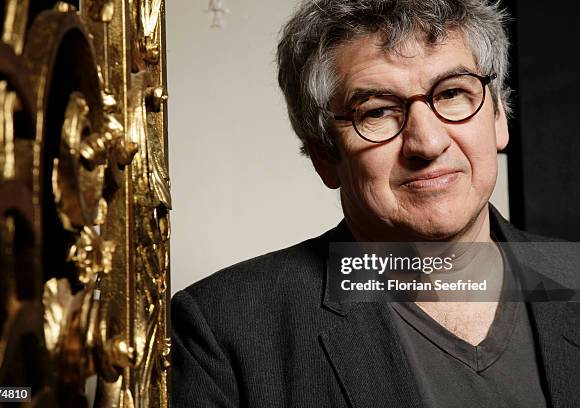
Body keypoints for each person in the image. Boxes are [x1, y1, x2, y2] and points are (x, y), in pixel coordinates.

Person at [171, 1, 580, 406]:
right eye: (378, 111)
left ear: (498, 118)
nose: (428, 143)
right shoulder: (224, 331)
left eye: (453, 92)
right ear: (323, 156)